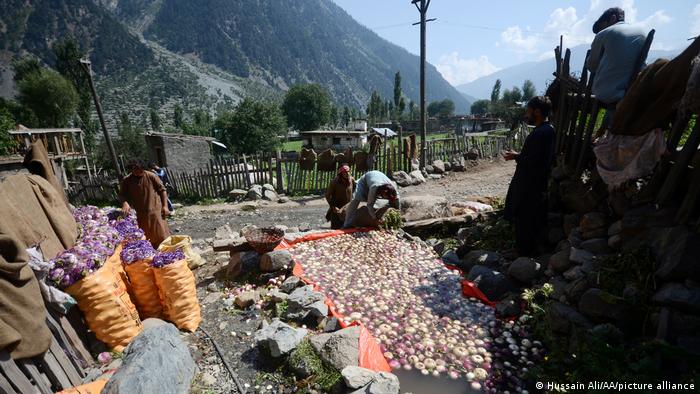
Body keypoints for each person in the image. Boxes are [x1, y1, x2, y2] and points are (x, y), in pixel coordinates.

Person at [503, 96, 555, 257]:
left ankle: (524, 252)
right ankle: (527, 249)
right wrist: (518, 155)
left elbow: (535, 161)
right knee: (528, 215)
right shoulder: (544, 131)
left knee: (525, 216)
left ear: (537, 111)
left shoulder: (542, 133)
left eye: (529, 110)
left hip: (530, 183)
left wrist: (516, 156)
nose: (527, 114)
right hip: (532, 181)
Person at [586, 7, 647, 132]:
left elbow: (592, 66)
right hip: (636, 91)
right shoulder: (641, 33)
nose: (601, 30)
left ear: (613, 18)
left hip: (611, 96)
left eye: (602, 26)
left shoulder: (605, 33)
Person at [119, 159, 171, 248]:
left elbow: (163, 191)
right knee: (145, 237)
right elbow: (122, 195)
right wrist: (125, 203)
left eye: (141, 169)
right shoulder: (127, 180)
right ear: (131, 169)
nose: (139, 171)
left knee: (161, 234)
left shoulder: (151, 176)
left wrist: (165, 206)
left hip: (155, 210)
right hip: (140, 213)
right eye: (135, 169)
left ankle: (166, 251)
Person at [324, 164, 355, 229]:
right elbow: (327, 195)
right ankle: (330, 215)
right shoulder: (334, 182)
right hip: (337, 208)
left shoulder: (351, 180)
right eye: (345, 172)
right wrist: (332, 206)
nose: (347, 174)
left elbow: (354, 189)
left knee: (348, 227)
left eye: (348, 172)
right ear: (341, 174)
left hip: (347, 208)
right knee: (336, 227)